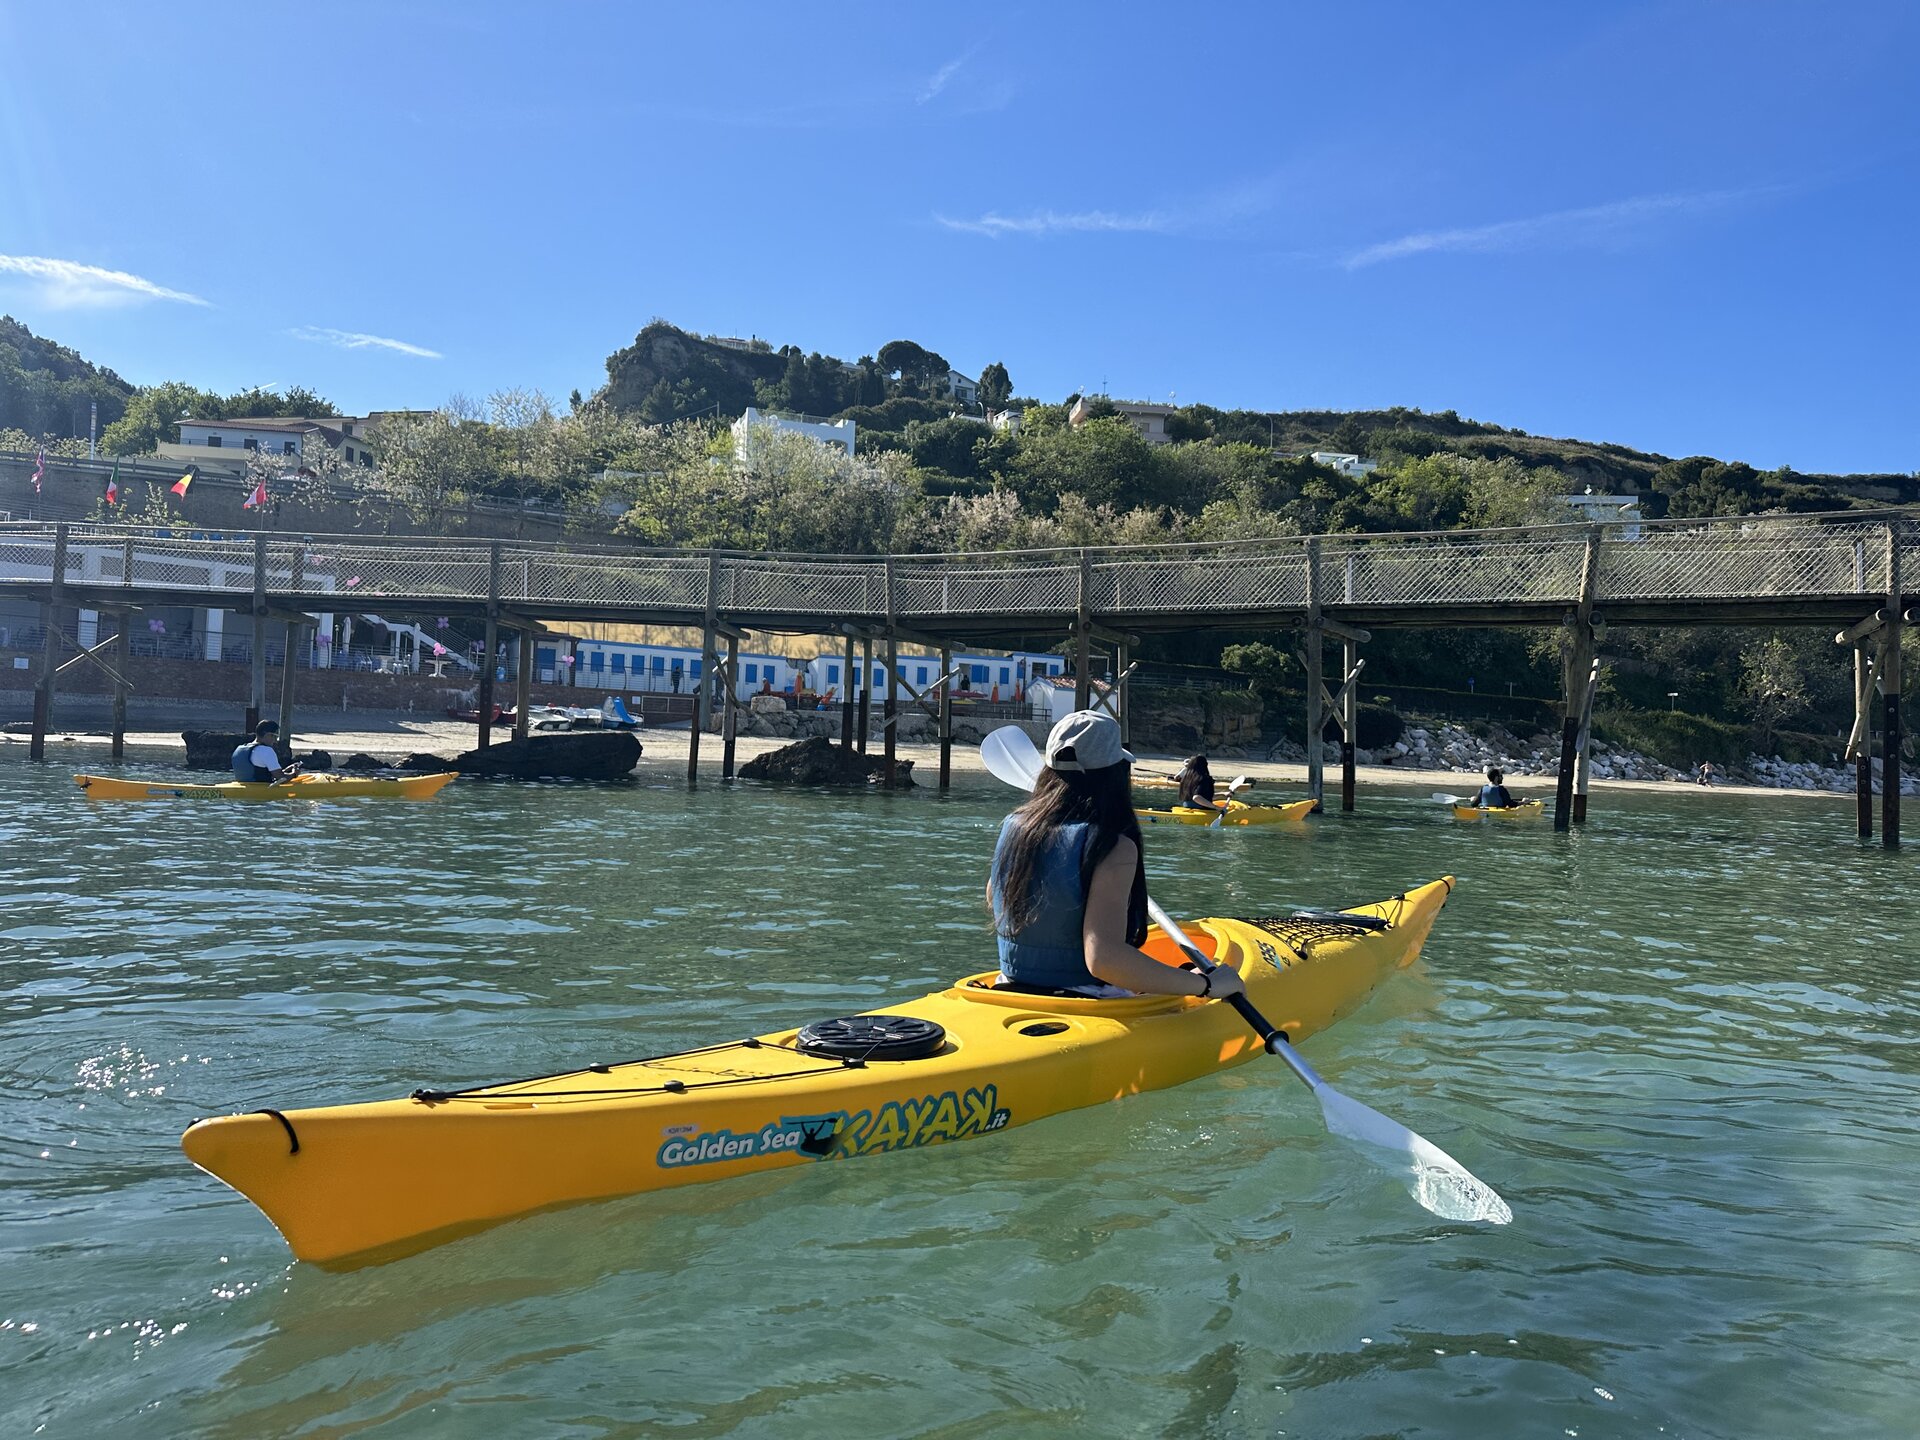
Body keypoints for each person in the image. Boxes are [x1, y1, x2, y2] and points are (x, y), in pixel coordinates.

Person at [988, 710, 1244, 1002]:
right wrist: (1204, 986)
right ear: (1115, 773)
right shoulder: (1112, 845)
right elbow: (1104, 959)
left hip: (1008, 985)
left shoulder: (1013, 828)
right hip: (1083, 996)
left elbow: (998, 900)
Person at [230, 721, 298, 783]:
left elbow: (271, 774)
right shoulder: (266, 750)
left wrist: (287, 769)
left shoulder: (239, 749)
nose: (275, 741)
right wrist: (294, 774)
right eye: (274, 737)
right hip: (259, 790)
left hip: (242, 787)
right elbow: (282, 778)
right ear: (267, 735)